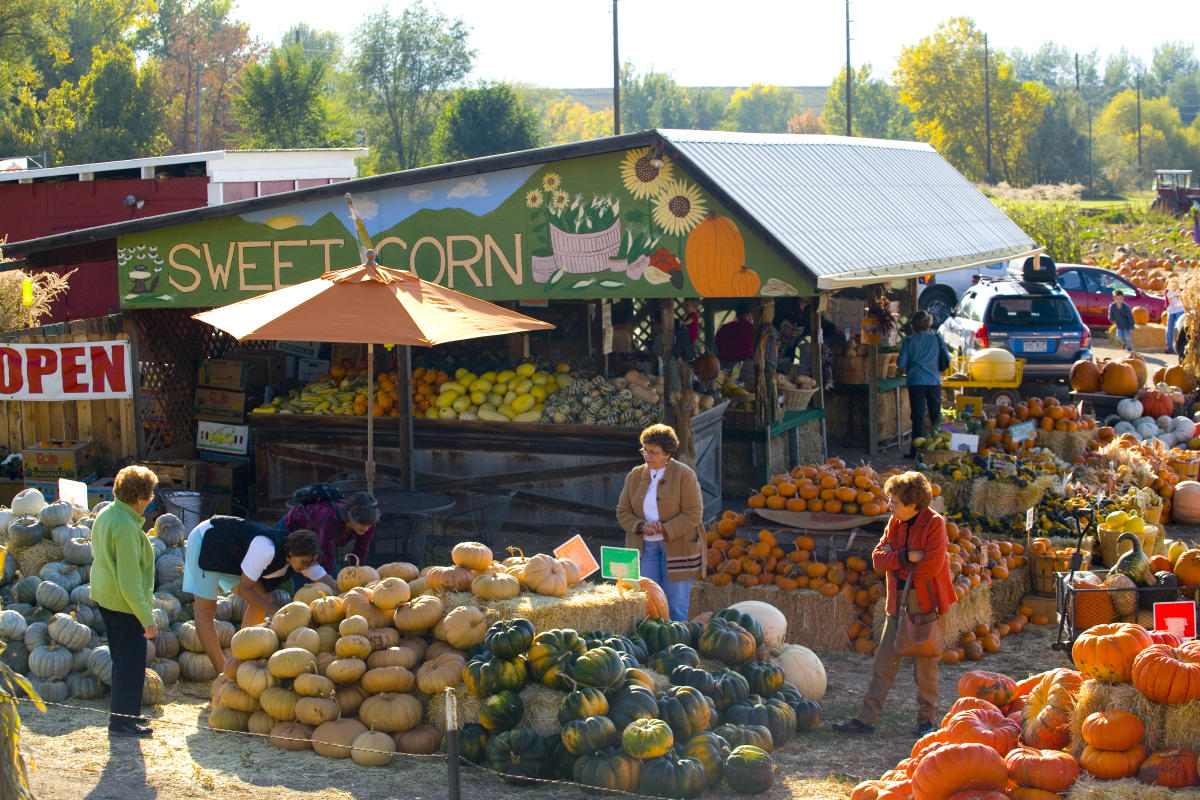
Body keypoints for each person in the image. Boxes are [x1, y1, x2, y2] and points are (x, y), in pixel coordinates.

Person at [832, 471, 957, 737]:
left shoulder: (935, 524)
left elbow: (931, 567)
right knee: (883, 664)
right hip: (897, 604)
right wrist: (905, 556)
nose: (890, 505)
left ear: (913, 503)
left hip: (926, 604)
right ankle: (865, 720)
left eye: (895, 501)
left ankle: (927, 721)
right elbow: (878, 559)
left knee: (925, 669)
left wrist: (896, 561)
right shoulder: (895, 523)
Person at [183, 516, 335, 672]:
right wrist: (278, 613)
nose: (307, 567)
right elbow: (244, 589)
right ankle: (223, 671)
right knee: (206, 609)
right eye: (304, 563)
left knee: (262, 600)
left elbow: (329, 583)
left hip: (233, 554)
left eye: (310, 563)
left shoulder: (303, 558)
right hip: (208, 541)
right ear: (290, 553)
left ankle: (239, 660)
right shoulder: (265, 548)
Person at [90, 465, 159, 737]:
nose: (151, 499)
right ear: (139, 497)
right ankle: (121, 722)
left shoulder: (107, 513)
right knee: (130, 663)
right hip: (123, 604)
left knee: (123, 660)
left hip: (107, 597)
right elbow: (130, 582)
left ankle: (127, 715)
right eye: (150, 495)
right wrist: (147, 618)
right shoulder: (127, 527)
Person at [615, 424, 706, 622]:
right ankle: (648, 645)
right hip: (644, 546)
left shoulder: (685, 475)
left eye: (653, 452)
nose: (647, 456)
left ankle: (676, 645)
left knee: (675, 604)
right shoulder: (635, 475)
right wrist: (640, 525)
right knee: (645, 599)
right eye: (645, 451)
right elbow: (623, 512)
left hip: (678, 547)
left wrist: (665, 528)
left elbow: (694, 513)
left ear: (667, 453)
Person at [279, 490, 381, 576]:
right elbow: (325, 554)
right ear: (350, 515)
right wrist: (330, 581)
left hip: (316, 540)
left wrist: (357, 574)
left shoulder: (368, 523)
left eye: (369, 524)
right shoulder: (330, 519)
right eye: (362, 523)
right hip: (292, 527)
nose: (366, 528)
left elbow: (361, 551)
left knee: (328, 578)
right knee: (303, 569)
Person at [897, 310, 949, 459]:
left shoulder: (908, 341)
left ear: (913, 325)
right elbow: (947, 359)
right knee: (935, 416)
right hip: (934, 381)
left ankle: (917, 451)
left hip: (916, 382)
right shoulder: (937, 339)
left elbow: (901, 363)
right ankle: (938, 450)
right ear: (929, 323)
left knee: (918, 416)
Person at [714, 302, 755, 375]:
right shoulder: (751, 328)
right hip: (744, 368)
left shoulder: (724, 327)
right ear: (749, 314)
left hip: (724, 366)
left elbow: (717, 345)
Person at [1165, 280, 1185, 355]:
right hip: (1174, 311)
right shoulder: (1169, 291)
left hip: (1177, 310)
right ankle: (1172, 347)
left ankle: (1174, 347)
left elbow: (1167, 301)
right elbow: (1167, 301)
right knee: (1172, 328)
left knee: (1175, 328)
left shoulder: (1179, 290)